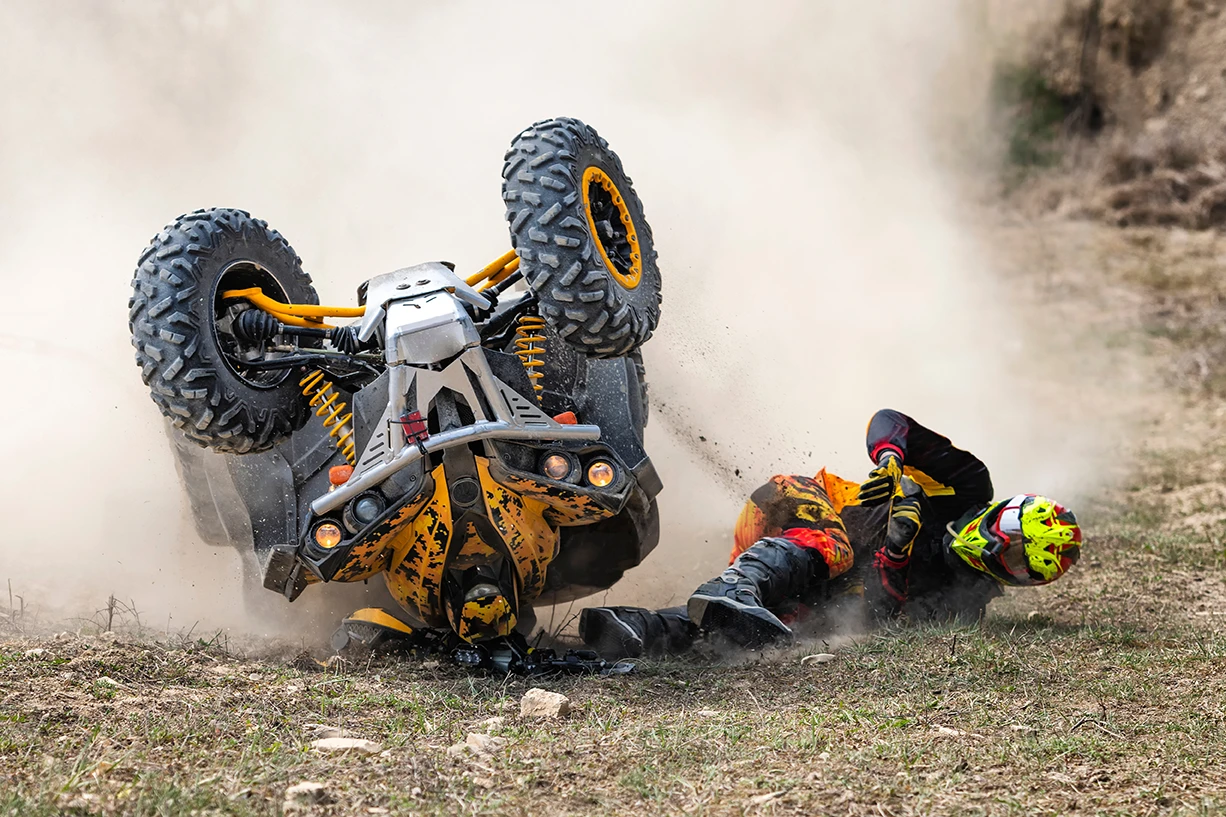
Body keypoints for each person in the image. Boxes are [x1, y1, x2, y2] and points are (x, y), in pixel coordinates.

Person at [578, 409, 1083, 658]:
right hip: (786, 503)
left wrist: (899, 551)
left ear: (1019, 582)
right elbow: (890, 421)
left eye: (1017, 563)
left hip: (800, 582)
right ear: (1007, 512)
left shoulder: (964, 605)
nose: (1000, 551)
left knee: (780, 629)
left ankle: (635, 630)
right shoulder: (969, 483)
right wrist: (889, 458)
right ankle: (733, 588)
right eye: (1012, 536)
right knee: (834, 548)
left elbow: (877, 618)